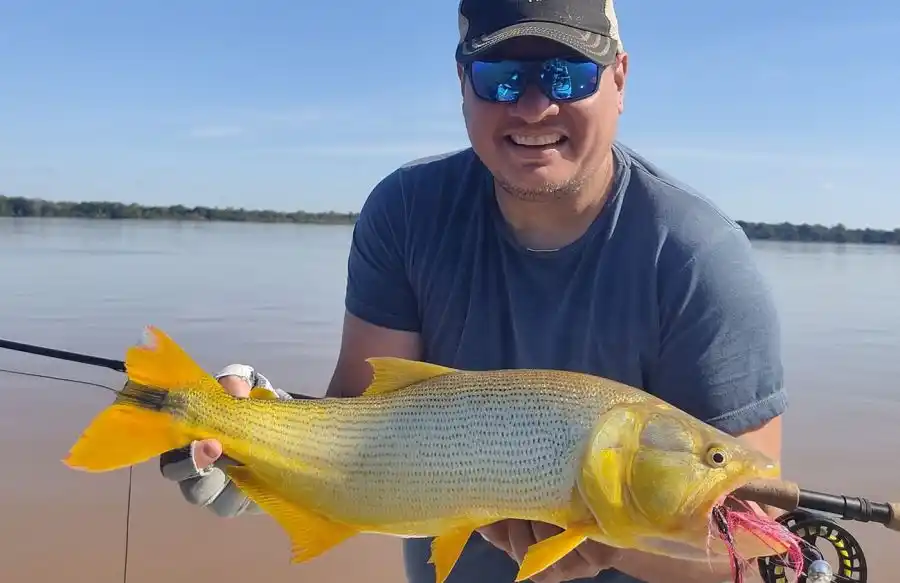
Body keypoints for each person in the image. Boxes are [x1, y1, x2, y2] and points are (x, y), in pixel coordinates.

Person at [159, 0, 788, 581]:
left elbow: (756, 548)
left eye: (568, 75)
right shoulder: (406, 210)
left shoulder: (698, 258)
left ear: (619, 78)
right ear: (462, 85)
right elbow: (358, 418)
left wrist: (606, 542)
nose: (534, 107)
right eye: (500, 78)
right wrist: (257, 440)